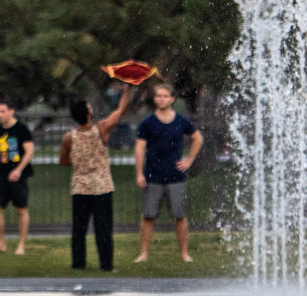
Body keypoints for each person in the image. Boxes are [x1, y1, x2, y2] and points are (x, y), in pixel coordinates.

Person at [62, 88, 134, 272]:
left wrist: (80, 163)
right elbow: (121, 110)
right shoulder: (101, 128)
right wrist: (128, 89)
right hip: (101, 187)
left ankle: (78, 264)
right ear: (88, 114)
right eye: (89, 107)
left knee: (79, 229)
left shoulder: (69, 137)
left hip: (79, 188)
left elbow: (64, 161)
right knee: (103, 229)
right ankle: (106, 265)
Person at [134, 80, 202, 264]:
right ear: (155, 99)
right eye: (158, 96)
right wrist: (139, 173)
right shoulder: (148, 122)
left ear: (172, 99)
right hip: (153, 175)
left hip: (175, 177)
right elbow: (139, 148)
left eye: (165, 96)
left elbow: (197, 139)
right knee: (148, 216)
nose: (161, 99)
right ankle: (143, 254)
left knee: (179, 217)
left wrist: (189, 159)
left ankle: (184, 254)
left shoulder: (181, 121)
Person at [0, 100, 34, 255]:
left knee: (21, 209)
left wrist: (18, 170)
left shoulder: (21, 129)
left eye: (3, 111)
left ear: (11, 111)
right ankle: (0, 244)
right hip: (2, 174)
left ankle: (21, 245)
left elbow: (29, 151)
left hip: (19, 175)